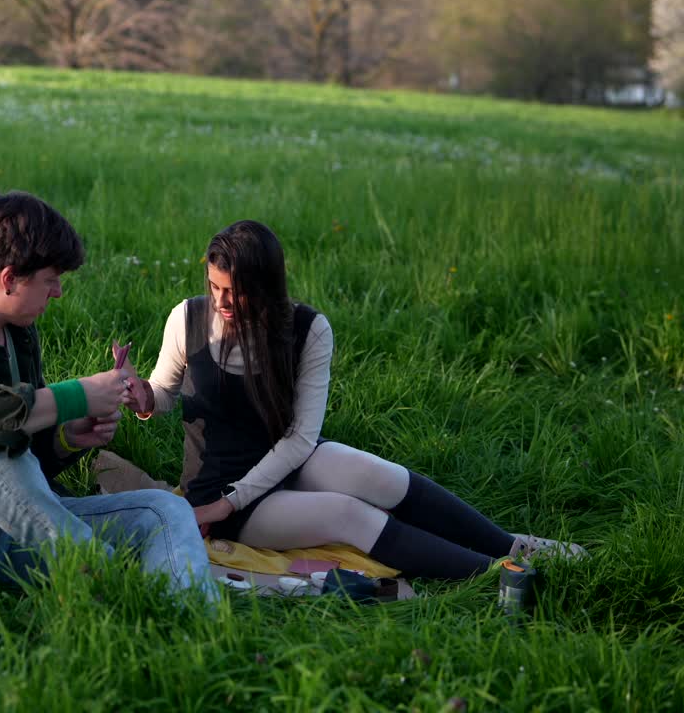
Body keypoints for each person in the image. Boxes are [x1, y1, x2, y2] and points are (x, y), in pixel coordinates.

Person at [127, 220, 582, 579]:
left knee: (379, 476)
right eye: (215, 287)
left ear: (265, 287)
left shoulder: (307, 330)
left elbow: (301, 439)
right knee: (348, 514)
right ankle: (500, 573)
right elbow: (164, 391)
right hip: (223, 493)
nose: (222, 301)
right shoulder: (187, 318)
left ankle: (510, 544)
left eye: (235, 291)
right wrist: (142, 395)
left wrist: (231, 500)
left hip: (289, 460)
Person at [0, 191, 218, 599]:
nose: (57, 293)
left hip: (18, 535)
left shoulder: (19, 333)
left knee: (165, 510)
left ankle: (187, 617)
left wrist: (67, 436)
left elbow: (20, 477)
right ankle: (112, 585)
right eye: (50, 280)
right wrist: (74, 396)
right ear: (9, 278)